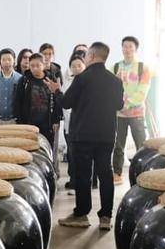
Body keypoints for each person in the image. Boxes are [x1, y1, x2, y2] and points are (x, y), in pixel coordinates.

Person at [46, 42, 124, 230]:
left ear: (92, 56)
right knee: (105, 174)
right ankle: (106, 217)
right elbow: (119, 105)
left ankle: (82, 214)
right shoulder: (115, 80)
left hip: (83, 135)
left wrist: (56, 90)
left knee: (83, 175)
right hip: (106, 135)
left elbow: (66, 103)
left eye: (87, 54)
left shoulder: (82, 78)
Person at [112, 36, 151, 185]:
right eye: (125, 46)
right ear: (122, 48)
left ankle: (143, 173)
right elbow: (110, 88)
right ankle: (117, 173)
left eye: (130, 46)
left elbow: (142, 91)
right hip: (119, 114)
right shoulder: (115, 67)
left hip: (137, 113)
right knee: (118, 145)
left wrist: (125, 104)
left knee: (141, 145)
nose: (127, 49)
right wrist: (119, 106)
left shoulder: (143, 67)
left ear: (135, 49)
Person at [14, 53, 62, 147]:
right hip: (29, 123)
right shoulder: (24, 80)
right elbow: (18, 102)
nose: (35, 68)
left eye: (38, 65)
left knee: (47, 148)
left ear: (43, 65)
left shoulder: (51, 79)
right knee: (29, 147)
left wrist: (56, 120)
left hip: (47, 124)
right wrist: (19, 122)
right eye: (32, 66)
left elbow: (57, 101)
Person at [62, 52, 86, 190]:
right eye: (73, 66)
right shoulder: (67, 81)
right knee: (71, 154)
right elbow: (64, 101)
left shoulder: (87, 82)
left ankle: (84, 181)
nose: (76, 68)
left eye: (79, 65)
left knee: (82, 155)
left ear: (84, 66)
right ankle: (73, 179)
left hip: (83, 125)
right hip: (69, 123)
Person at [0, 48, 22, 125]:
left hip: (14, 119)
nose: (7, 62)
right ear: (0, 61)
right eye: (3, 59)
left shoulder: (20, 78)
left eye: (9, 59)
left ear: (14, 60)